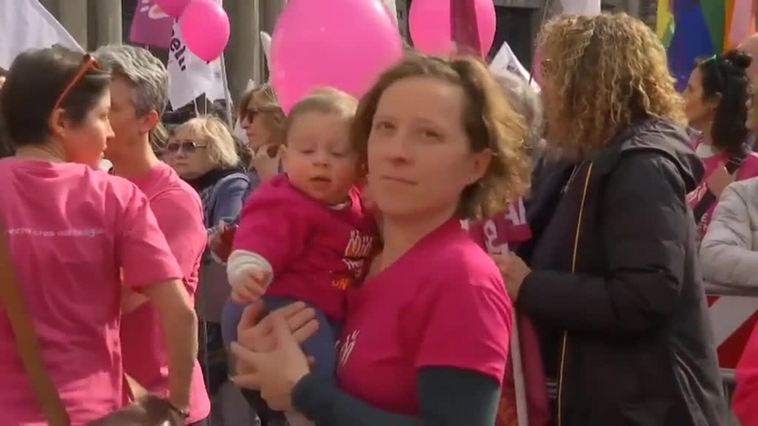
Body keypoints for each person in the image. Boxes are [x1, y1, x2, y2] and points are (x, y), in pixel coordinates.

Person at [230, 53, 530, 425]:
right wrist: (259, 367)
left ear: (477, 164)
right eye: (385, 127)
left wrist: (303, 392)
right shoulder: (355, 259)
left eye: (428, 134)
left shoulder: (462, 279)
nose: (397, 152)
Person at [504, 14, 726, 425]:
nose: (542, 85)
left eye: (551, 69)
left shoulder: (642, 164)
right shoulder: (580, 155)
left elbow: (645, 295)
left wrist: (531, 285)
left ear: (586, 78)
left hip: (645, 406)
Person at [0, 46, 197, 424]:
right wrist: (179, 406)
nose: (108, 132)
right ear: (61, 122)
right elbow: (180, 313)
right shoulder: (115, 196)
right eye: (103, 116)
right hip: (94, 412)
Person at [227, 87, 375, 390]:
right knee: (316, 375)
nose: (321, 161)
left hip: (323, 308)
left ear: (361, 164)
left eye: (337, 153)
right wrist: (248, 269)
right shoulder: (285, 200)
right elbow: (259, 234)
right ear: (285, 156)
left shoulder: (358, 206)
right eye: (307, 151)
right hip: (277, 303)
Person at [93, 44, 211, 425]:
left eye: (111, 108)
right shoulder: (96, 187)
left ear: (148, 119)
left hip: (161, 405)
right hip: (107, 399)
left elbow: (122, 298)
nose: (96, 118)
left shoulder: (173, 201)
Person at [683, 50, 758, 241]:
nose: (681, 96)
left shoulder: (752, 169)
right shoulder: (680, 153)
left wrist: (727, 199)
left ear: (714, 101)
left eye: (690, 89)